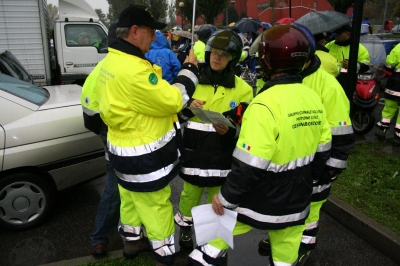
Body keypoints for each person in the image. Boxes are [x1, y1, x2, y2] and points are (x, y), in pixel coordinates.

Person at [187, 24, 332, 266]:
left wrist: (224, 198)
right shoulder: (312, 98)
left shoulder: (263, 104)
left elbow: (248, 167)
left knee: (210, 246)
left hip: (261, 199)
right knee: (286, 260)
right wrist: (306, 182)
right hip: (296, 202)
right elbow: (323, 150)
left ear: (266, 61)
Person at [96, 5, 199, 266]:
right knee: (156, 204)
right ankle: (165, 254)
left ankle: (132, 243)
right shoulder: (135, 70)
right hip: (144, 155)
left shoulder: (110, 61)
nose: (154, 38)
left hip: (121, 149)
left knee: (129, 197)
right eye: (151, 32)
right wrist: (189, 71)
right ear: (134, 31)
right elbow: (172, 100)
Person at [257, 25, 355, 265]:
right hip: (283, 170)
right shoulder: (279, 79)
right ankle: (280, 239)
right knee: (280, 208)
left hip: (315, 169)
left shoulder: (327, 86)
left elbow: (341, 134)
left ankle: (304, 247)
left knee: (309, 214)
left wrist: (328, 172)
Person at [174, 30, 254, 251]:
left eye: (224, 54)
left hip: (222, 158)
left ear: (233, 59)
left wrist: (228, 132)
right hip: (193, 154)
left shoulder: (244, 89)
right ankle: (186, 230)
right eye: (214, 52)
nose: (216, 57)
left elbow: (245, 127)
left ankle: (213, 243)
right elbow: (174, 116)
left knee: (217, 203)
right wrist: (187, 110)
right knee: (189, 196)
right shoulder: (191, 82)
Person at [325, 24, 370, 89]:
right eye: (336, 33)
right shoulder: (328, 46)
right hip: (330, 83)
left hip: (349, 84)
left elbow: (366, 66)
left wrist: (353, 65)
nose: (336, 35)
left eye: (339, 33)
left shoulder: (359, 48)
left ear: (347, 34)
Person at [375, 43, 400, 146]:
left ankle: (382, 130)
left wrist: (389, 69)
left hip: (396, 81)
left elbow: (389, 63)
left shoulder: (399, 47)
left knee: (389, 106)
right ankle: (398, 138)